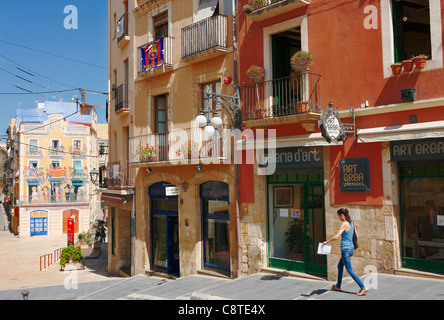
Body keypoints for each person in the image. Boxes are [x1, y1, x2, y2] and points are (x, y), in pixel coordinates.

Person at [323, 208, 368, 296]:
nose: (339, 218)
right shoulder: (352, 223)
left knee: (349, 269)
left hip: (345, 250)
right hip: (351, 248)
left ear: (342, 215)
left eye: (338, 216)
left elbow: (336, 236)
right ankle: (338, 286)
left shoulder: (344, 224)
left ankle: (362, 287)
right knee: (340, 266)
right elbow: (357, 236)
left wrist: (327, 242)